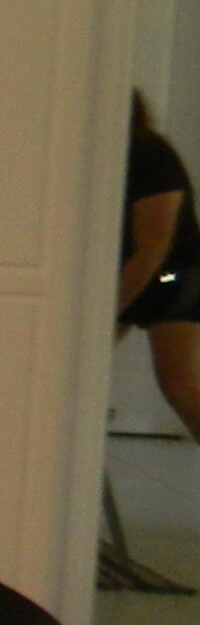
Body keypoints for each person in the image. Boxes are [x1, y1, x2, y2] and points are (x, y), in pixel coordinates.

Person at [120, 90, 200, 445]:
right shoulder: (113, 157)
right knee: (72, 373)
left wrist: (109, 308)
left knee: (178, 383)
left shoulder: (151, 156)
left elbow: (153, 250)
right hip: (137, 276)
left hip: (174, 278)